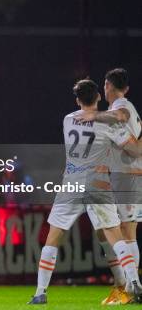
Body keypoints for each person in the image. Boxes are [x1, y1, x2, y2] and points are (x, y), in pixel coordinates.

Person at [28, 79, 142, 304]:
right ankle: (133, 282)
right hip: (98, 183)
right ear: (99, 96)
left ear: (77, 100)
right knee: (114, 235)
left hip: (71, 183)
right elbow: (134, 150)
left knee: (54, 237)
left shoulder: (68, 119)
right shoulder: (109, 124)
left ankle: (41, 293)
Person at [77, 68, 142, 304]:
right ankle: (131, 287)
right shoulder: (127, 108)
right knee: (128, 232)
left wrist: (94, 116)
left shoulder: (120, 109)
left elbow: (132, 144)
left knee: (122, 231)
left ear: (107, 86)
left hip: (126, 176)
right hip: (131, 175)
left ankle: (130, 287)